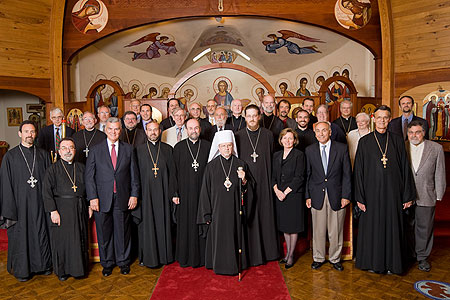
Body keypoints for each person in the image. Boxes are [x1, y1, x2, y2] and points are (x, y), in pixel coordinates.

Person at [354, 105, 416, 274]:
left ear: (389, 119)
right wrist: (359, 197)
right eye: (379, 117)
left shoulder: (396, 140)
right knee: (372, 228)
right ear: (373, 119)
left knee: (392, 227)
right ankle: (372, 263)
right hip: (371, 194)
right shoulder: (365, 141)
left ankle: (392, 264)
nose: (382, 121)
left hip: (393, 194)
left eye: (385, 117)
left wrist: (407, 195)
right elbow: (358, 171)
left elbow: (405, 167)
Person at [85, 117, 140, 276]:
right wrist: (92, 197)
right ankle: (107, 263)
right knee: (104, 233)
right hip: (101, 199)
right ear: (105, 130)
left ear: (120, 130)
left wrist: (134, 195)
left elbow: (134, 176)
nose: (113, 132)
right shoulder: (96, 150)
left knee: (122, 232)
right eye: (110, 129)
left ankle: (123, 262)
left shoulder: (129, 149)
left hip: (123, 197)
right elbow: (89, 177)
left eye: (116, 129)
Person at [0, 121, 52, 281]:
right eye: (26, 131)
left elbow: (50, 182)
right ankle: (23, 270)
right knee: (22, 235)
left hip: (40, 202)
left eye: (32, 131)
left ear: (36, 134)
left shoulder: (43, 155)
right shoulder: (10, 156)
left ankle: (43, 266)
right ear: (20, 134)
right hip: (19, 204)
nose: (30, 134)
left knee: (41, 232)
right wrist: (10, 208)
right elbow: (5, 184)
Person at [197, 130, 250, 275]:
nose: (227, 149)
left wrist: (244, 179)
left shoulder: (240, 164)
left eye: (229, 146)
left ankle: (235, 265)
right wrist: (206, 213)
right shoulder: (211, 166)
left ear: (233, 147)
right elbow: (205, 192)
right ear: (218, 148)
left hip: (234, 210)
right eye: (224, 146)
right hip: (217, 211)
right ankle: (218, 265)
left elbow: (248, 190)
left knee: (234, 236)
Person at [235, 104, 279, 266]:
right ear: (245, 117)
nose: (252, 119)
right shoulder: (238, 136)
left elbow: (273, 159)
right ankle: (251, 254)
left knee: (265, 216)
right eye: (249, 116)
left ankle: (268, 252)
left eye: (255, 115)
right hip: (248, 184)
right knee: (250, 216)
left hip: (265, 182)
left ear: (259, 116)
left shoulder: (268, 135)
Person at [305, 121, 351, 271]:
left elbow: (347, 175)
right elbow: (308, 175)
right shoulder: (310, 150)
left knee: (335, 229)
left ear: (330, 132)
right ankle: (318, 258)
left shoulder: (342, 148)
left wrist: (346, 195)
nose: (321, 134)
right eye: (318, 131)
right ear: (315, 133)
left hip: (337, 195)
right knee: (318, 229)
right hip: (316, 195)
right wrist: (308, 196)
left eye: (324, 130)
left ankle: (335, 258)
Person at [42, 138, 89, 281]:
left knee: (79, 238)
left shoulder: (81, 167)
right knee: (63, 241)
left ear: (75, 150)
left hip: (79, 207)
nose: (68, 151)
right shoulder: (52, 169)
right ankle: (63, 271)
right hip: (61, 209)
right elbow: (46, 192)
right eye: (64, 148)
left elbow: (89, 188)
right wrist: (53, 211)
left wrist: (88, 205)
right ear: (59, 151)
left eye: (71, 147)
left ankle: (79, 270)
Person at [135, 121, 177, 267]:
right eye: (150, 130)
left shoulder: (168, 149)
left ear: (160, 131)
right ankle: (148, 258)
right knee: (147, 226)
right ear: (146, 132)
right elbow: (135, 175)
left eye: (155, 130)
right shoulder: (138, 150)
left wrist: (174, 193)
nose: (153, 133)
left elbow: (173, 174)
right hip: (145, 196)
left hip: (164, 194)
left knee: (164, 223)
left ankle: (165, 256)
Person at [406, 121, 446, 272]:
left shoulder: (436, 148)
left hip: (426, 193)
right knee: (408, 226)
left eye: (417, 132)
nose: (414, 135)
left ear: (423, 133)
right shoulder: (402, 147)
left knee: (425, 228)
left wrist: (439, 193)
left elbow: (440, 171)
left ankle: (422, 257)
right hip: (406, 196)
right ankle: (410, 254)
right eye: (411, 132)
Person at [173, 119, 211, 267]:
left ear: (200, 129)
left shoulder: (207, 146)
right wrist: (175, 193)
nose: (193, 131)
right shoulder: (179, 148)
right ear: (186, 130)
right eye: (190, 128)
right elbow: (173, 173)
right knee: (187, 225)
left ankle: (203, 258)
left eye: (196, 128)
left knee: (203, 222)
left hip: (203, 194)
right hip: (185, 194)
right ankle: (186, 257)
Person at [272, 128, 305, 269]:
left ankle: (291, 255)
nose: (287, 141)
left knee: (293, 226)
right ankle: (287, 254)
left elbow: (299, 177)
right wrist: (276, 190)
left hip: (293, 195)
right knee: (285, 226)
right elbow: (272, 175)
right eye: (285, 138)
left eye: (290, 138)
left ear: (295, 140)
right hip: (279, 195)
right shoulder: (276, 155)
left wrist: (285, 192)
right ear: (281, 140)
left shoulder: (299, 155)